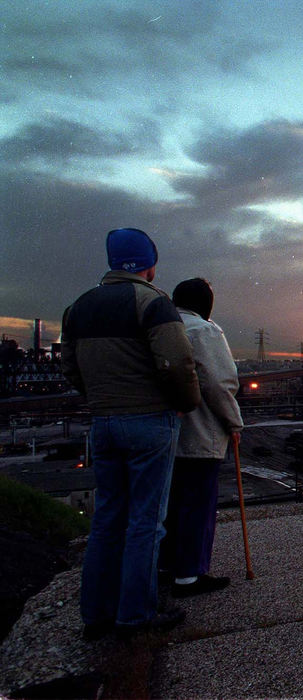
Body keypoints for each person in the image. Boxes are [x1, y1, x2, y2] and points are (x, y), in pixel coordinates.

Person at [61, 228, 201, 639]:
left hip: (102, 422)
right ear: (148, 265)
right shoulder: (153, 303)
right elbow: (178, 363)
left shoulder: (78, 308)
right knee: (146, 521)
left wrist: (99, 398)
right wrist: (185, 403)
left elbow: (70, 366)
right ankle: (135, 614)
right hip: (149, 421)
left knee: (106, 518)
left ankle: (96, 614)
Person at [160, 278, 243, 598]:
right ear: (206, 304)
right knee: (198, 505)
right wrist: (234, 423)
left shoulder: (160, 328)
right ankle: (189, 575)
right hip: (200, 432)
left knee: (169, 503)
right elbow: (219, 385)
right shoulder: (205, 331)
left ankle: (166, 566)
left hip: (165, 433)